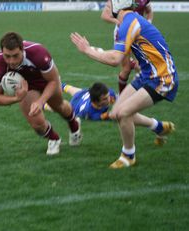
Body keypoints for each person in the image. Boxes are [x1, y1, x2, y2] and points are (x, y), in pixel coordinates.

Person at [70, 0, 178, 168]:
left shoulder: (129, 23)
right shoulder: (127, 22)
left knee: (124, 113)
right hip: (147, 75)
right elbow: (121, 59)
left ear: (118, 4)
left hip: (162, 78)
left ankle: (128, 155)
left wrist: (87, 50)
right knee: (115, 114)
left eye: (109, 4)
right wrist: (95, 51)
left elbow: (115, 60)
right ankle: (158, 127)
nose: (106, 7)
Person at [0, 32, 82, 155]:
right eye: (7, 56)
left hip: (47, 80)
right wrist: (16, 98)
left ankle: (74, 125)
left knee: (58, 106)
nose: (11, 61)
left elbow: (53, 81)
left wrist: (40, 101)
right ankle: (54, 139)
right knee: (36, 123)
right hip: (27, 86)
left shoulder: (38, 52)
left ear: (22, 49)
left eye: (15, 55)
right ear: (2, 52)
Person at [45, 82, 173, 146]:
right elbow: (112, 115)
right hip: (77, 108)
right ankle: (43, 104)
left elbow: (114, 98)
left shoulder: (107, 94)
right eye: (105, 99)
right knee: (59, 108)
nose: (109, 99)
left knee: (74, 90)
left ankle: (59, 84)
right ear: (96, 102)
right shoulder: (89, 113)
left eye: (108, 96)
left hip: (83, 94)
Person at [101, 0, 153, 93]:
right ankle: (122, 96)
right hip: (123, 32)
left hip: (139, 33)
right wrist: (117, 21)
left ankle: (143, 91)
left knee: (141, 65)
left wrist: (148, 23)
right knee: (126, 69)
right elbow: (104, 15)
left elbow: (149, 11)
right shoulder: (117, 1)